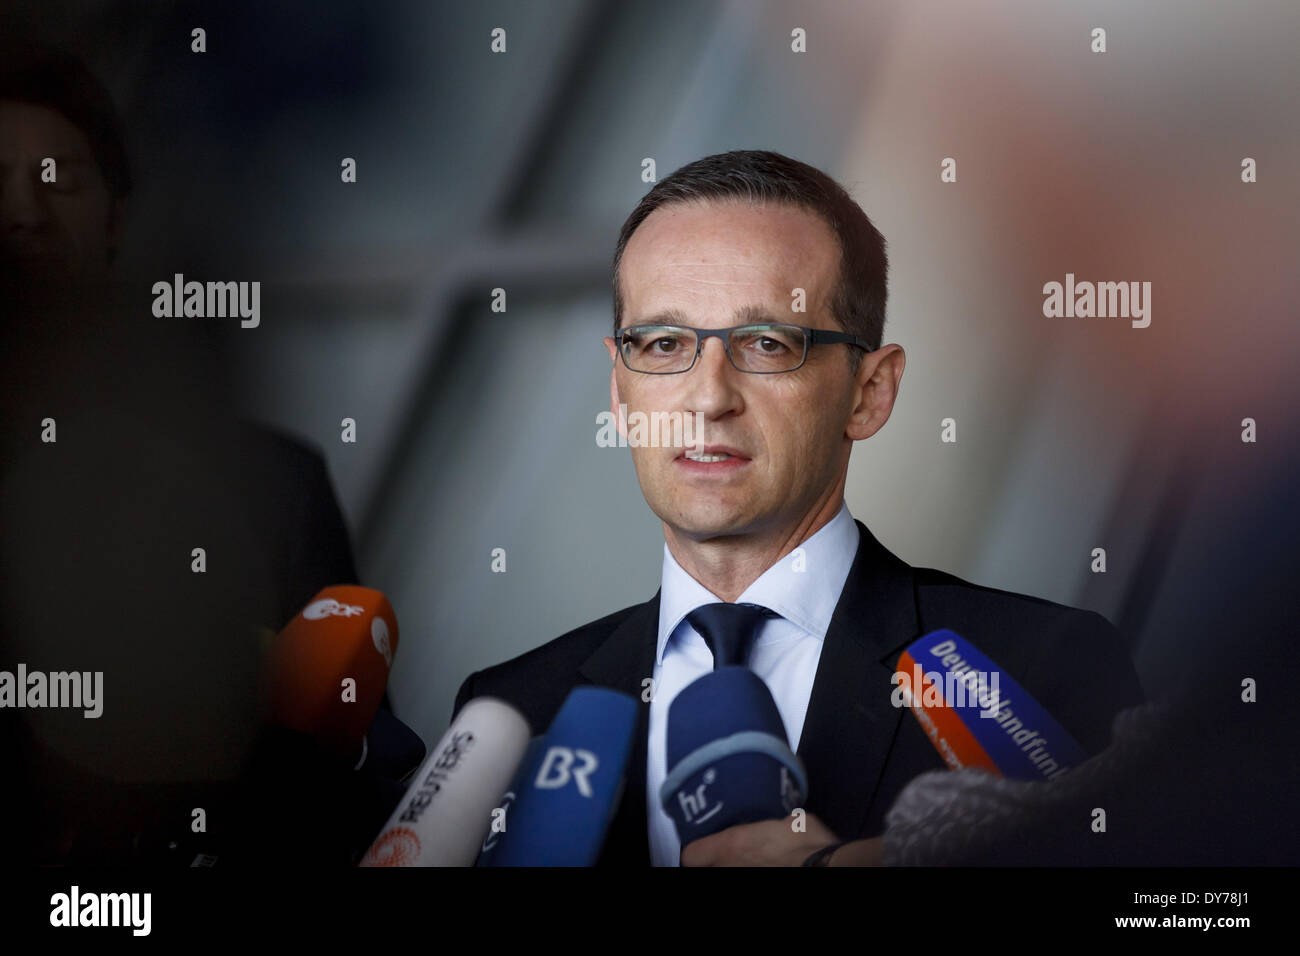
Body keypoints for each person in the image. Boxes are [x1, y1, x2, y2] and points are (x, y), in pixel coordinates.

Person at [452, 149, 1144, 867]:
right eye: (662, 344)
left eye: (766, 343)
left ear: (869, 392)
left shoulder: (1040, 667)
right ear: (620, 395)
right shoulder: (508, 710)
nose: (709, 397)